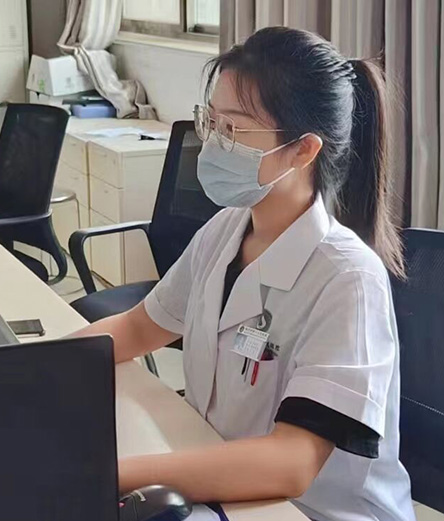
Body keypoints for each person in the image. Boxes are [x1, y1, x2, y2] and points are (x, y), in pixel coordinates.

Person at [75, 26, 415, 521]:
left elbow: (291, 463)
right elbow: (139, 327)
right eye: (211, 121)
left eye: (233, 129)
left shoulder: (348, 279)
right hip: (229, 485)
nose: (212, 143)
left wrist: (108, 471)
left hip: (310, 511)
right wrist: (36, 367)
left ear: (303, 150)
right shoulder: (226, 230)